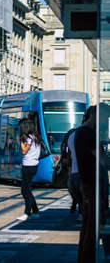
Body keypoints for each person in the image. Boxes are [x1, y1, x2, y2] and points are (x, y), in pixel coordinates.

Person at [75, 105, 110, 262]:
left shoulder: (83, 132)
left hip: (89, 184)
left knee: (90, 227)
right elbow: (102, 159)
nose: (104, 123)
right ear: (96, 115)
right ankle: (87, 259)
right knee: (92, 228)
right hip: (92, 185)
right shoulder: (87, 133)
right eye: (104, 118)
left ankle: (85, 258)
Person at [17, 117, 42, 221]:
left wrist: (21, 141)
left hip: (28, 165)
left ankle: (27, 213)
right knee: (27, 189)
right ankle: (35, 211)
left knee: (25, 190)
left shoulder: (28, 138)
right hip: (33, 165)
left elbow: (24, 150)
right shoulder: (35, 137)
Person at [67, 129, 83, 221]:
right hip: (83, 172)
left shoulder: (71, 137)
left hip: (75, 172)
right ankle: (82, 212)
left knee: (79, 194)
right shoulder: (90, 135)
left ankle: (81, 211)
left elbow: (69, 157)